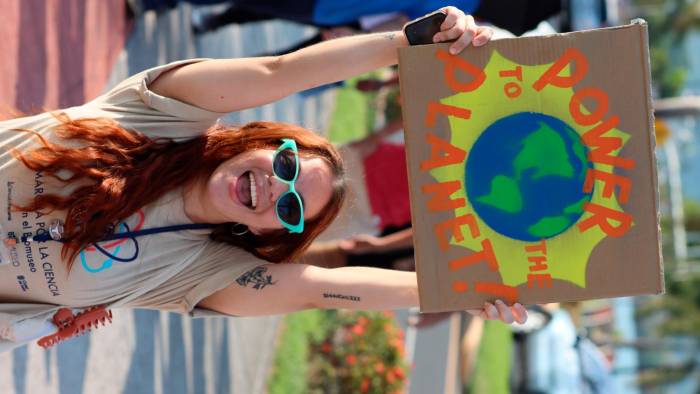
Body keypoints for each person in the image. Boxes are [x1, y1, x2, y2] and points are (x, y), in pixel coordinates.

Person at [0, 7, 526, 352]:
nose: (278, 188)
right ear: (261, 141)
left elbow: (321, 289)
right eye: (288, 165)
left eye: (292, 208)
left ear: (273, 234)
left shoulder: (192, 273)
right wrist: (407, 41)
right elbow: (281, 71)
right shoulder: (162, 118)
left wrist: (458, 291)